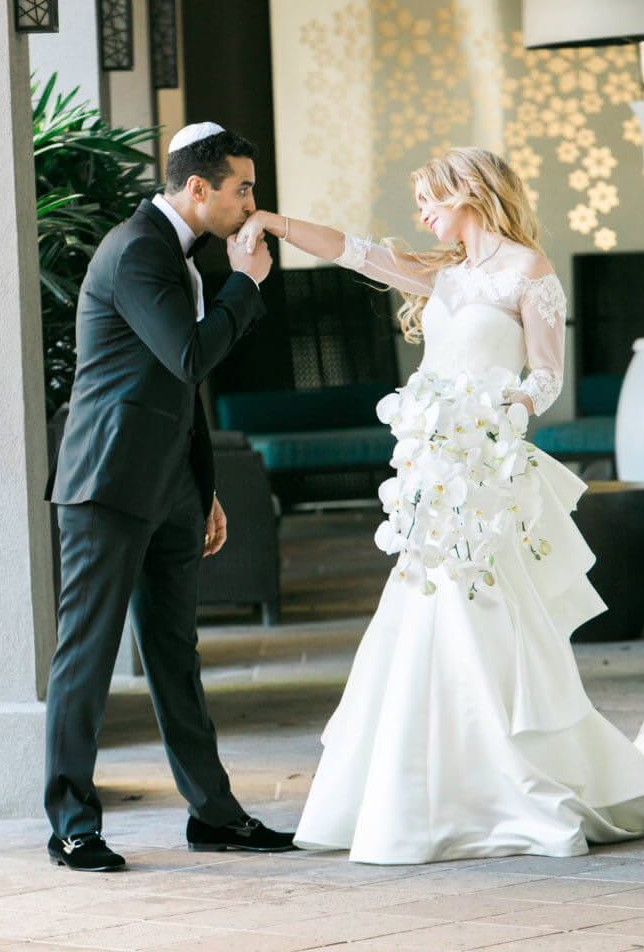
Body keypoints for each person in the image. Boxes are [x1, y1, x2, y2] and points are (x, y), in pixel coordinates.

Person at [237, 146, 644, 865]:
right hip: (429, 476)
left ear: (469, 195)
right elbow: (349, 250)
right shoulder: (436, 273)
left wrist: (504, 411)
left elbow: (545, 374)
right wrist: (271, 219)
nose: (421, 212)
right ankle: (421, 783)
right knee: (425, 605)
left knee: (483, 605)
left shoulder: (529, 272)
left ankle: (506, 776)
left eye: (430, 198)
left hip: (485, 471)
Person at [44, 122, 296, 871]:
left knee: (175, 655)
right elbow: (189, 355)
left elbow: (180, 389)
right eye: (241, 187)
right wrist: (246, 285)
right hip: (108, 485)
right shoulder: (134, 251)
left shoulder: (175, 253)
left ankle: (213, 815)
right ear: (197, 188)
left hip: (172, 488)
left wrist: (203, 487)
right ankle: (71, 825)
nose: (251, 201)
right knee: (84, 660)